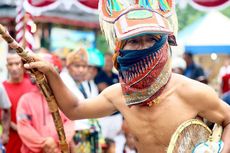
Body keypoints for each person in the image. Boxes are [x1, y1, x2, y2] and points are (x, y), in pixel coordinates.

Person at [24, 0, 230, 153]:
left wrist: (219, 150)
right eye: (134, 41)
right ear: (120, 49)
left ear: (167, 43)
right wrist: (51, 73)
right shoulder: (118, 95)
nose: (143, 47)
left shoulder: (192, 92)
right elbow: (75, 109)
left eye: (151, 39)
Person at [16, 53, 74, 153]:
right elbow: (24, 126)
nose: (42, 76)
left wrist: (57, 143)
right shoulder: (26, 100)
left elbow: (70, 122)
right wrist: (44, 143)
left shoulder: (62, 98)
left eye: (46, 72)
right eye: (38, 72)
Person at [60, 48, 102, 153]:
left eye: (84, 66)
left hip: (91, 130)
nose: (81, 70)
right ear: (68, 66)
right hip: (75, 132)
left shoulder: (83, 81)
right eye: (77, 66)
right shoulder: (62, 80)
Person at [3, 50, 36, 153]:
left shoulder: (33, 86)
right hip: (11, 140)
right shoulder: (2, 88)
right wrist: (21, 129)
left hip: (32, 141)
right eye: (10, 64)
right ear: (6, 66)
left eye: (17, 63)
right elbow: (2, 115)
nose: (14, 68)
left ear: (22, 65)